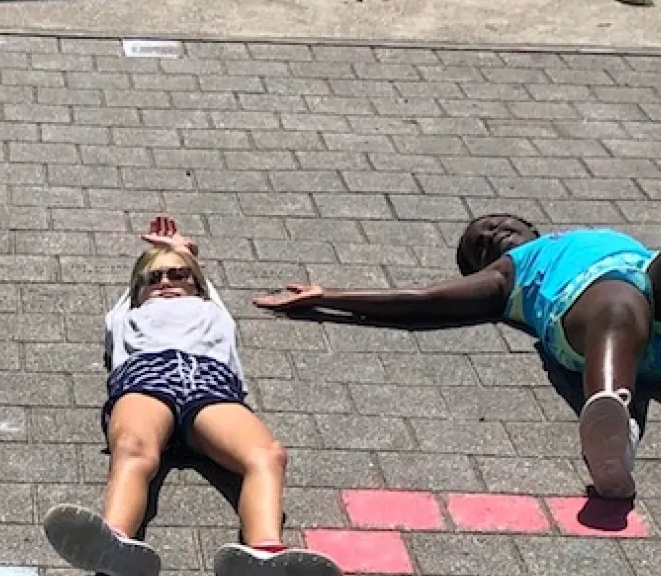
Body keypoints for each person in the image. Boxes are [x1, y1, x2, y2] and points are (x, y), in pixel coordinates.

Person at [255, 213, 661, 501]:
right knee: (621, 304)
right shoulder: (514, 271)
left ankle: (616, 426)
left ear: (532, 227)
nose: (490, 234)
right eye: (479, 246)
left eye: (497, 224)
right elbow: (427, 300)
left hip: (650, 292)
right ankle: (613, 424)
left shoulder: (597, 239)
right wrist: (330, 297)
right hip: (596, 311)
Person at [44, 215, 343, 576]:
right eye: (154, 280)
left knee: (268, 455)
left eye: (178, 276)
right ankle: (114, 542)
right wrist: (164, 254)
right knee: (134, 448)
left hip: (211, 384)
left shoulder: (210, 308)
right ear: (138, 291)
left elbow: (196, 275)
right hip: (148, 378)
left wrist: (185, 250)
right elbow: (145, 281)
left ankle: (264, 553)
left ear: (196, 283)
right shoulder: (127, 313)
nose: (166, 283)